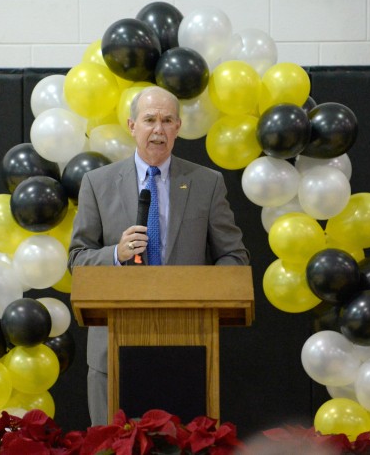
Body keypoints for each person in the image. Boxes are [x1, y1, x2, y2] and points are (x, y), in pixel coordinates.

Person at [68, 86, 250, 426]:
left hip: (188, 348)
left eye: (167, 120)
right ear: (132, 125)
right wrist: (117, 255)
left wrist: (200, 288)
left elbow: (234, 258)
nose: (158, 129)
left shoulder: (206, 183)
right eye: (150, 120)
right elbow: (78, 259)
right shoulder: (98, 182)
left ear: (179, 127)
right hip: (112, 351)